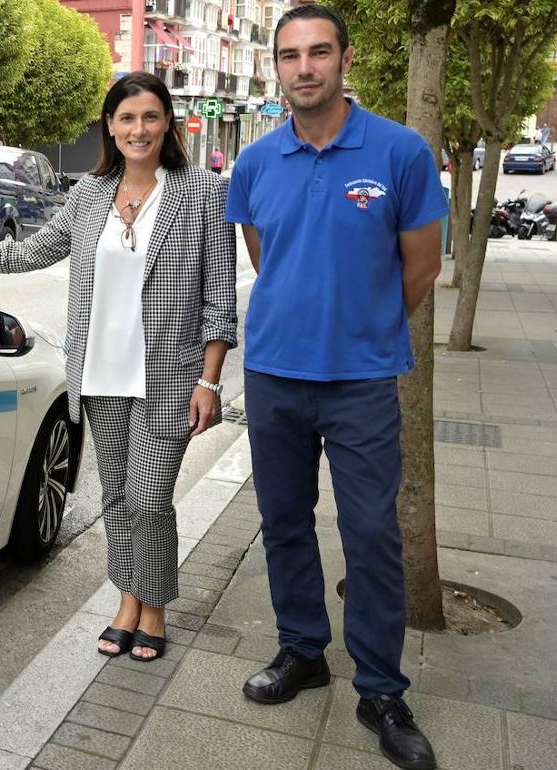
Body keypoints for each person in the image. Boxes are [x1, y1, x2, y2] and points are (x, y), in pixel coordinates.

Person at [0, 72, 238, 663]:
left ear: (168, 123)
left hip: (168, 376)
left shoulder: (204, 194)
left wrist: (209, 381)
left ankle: (154, 605)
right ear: (110, 126)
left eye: (150, 117)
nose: (139, 129)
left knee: (149, 499)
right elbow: (35, 250)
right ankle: (128, 599)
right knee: (116, 494)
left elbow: (219, 297)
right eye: (127, 118)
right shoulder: (89, 193)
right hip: (98, 373)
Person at [225, 6, 445, 770]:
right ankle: (303, 651)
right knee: (283, 521)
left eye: (319, 52)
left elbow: (421, 267)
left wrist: (364, 329)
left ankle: (382, 689)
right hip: (274, 375)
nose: (305, 67)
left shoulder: (400, 152)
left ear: (344, 58)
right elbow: (265, 256)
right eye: (290, 56)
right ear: (276, 68)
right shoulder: (254, 163)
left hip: (360, 383)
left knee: (372, 535)